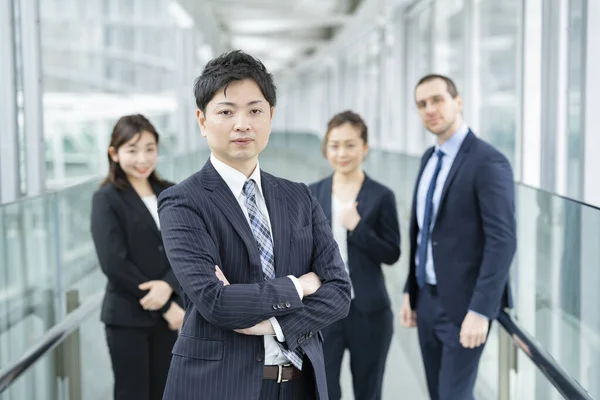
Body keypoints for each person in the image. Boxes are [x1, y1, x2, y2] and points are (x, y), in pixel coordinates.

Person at [157, 50, 352, 400]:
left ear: (271, 117)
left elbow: (338, 291)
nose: (242, 124)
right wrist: (299, 287)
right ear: (202, 121)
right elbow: (215, 302)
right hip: (218, 386)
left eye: (255, 111)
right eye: (226, 112)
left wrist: (275, 324)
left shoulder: (299, 197)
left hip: (299, 384)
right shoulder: (182, 202)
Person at [399, 74, 516, 400]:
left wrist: (480, 311)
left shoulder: (487, 161)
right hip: (426, 301)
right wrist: (411, 288)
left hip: (464, 308)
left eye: (437, 100)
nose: (429, 109)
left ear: (458, 101)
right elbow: (422, 232)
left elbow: (502, 241)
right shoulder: (428, 159)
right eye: (422, 104)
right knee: (437, 394)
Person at [90, 114, 185, 400]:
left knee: (165, 391)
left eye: (149, 148)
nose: (142, 158)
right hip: (128, 316)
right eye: (132, 150)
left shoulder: (170, 191)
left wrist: (169, 286)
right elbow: (113, 263)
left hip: (168, 319)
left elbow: (185, 248)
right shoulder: (107, 198)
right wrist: (166, 304)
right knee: (132, 393)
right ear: (114, 154)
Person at [309, 110, 400, 400]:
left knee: (368, 391)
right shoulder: (312, 194)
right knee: (324, 391)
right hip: (324, 311)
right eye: (334, 145)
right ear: (326, 149)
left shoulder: (381, 195)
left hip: (370, 313)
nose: (342, 153)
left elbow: (392, 253)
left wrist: (358, 228)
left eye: (350, 145)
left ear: (364, 147)